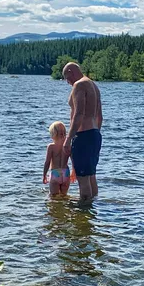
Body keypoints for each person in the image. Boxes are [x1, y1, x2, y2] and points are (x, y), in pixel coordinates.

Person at [61, 62, 102, 202]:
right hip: (94, 134)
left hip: (83, 135)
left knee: (83, 179)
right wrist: (94, 135)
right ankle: (92, 213)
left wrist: (68, 139)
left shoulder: (79, 85)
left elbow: (79, 114)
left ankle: (83, 214)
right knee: (91, 176)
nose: (68, 82)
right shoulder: (94, 86)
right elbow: (99, 117)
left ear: (71, 71)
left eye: (67, 78)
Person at [42, 121, 75, 197]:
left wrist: (44, 175)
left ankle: (55, 208)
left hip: (55, 173)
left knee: (53, 197)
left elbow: (47, 162)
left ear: (53, 134)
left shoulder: (51, 147)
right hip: (66, 173)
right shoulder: (67, 146)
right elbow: (73, 160)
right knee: (64, 196)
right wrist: (74, 171)